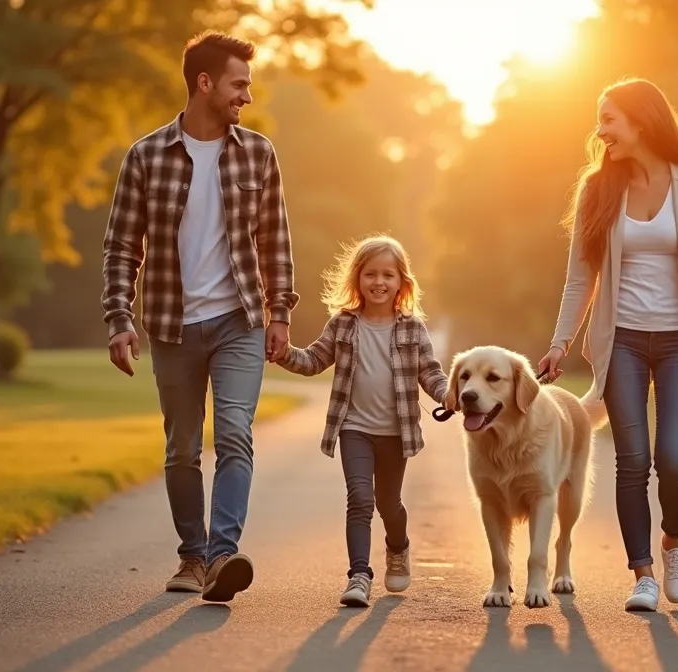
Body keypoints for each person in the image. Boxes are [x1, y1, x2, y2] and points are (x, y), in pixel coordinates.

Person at [100, 30, 298, 603]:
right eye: (239, 85)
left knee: (235, 434)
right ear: (204, 83)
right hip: (171, 323)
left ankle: (221, 557)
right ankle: (191, 556)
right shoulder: (146, 156)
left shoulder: (258, 152)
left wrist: (279, 311)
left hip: (240, 318)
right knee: (182, 447)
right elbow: (120, 247)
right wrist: (119, 317)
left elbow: (274, 239)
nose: (247, 97)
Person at [536, 77, 678, 612]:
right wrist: (559, 344)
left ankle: (672, 543)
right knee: (632, 459)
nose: (600, 132)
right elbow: (580, 278)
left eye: (609, 120)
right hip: (619, 340)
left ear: (641, 121)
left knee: (672, 460)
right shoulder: (597, 189)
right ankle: (642, 574)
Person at [271, 236, 449, 608]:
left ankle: (398, 547)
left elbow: (430, 373)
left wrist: (450, 393)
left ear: (402, 282)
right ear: (358, 278)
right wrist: (284, 354)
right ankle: (359, 575)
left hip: (394, 432)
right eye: (370, 274)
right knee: (360, 498)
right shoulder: (344, 325)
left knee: (389, 503)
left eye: (388, 274)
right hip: (354, 428)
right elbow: (313, 361)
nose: (379, 282)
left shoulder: (413, 329)